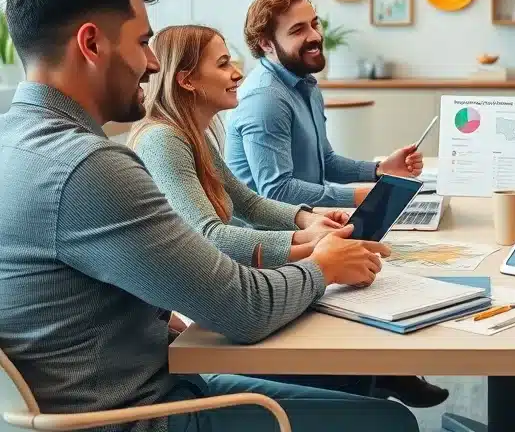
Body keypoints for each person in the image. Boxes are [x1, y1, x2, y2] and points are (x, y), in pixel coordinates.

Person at [0, 0, 418, 431]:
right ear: (91, 44)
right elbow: (243, 308)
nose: (152, 63)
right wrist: (322, 266)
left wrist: (154, 317)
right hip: (142, 412)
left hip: (134, 384)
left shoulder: (18, 143)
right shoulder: (88, 166)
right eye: (143, 42)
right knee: (391, 423)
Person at [128, 24, 448, 408]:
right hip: (212, 302)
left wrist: (307, 221)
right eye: (224, 64)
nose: (237, 73)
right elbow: (209, 235)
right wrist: (309, 246)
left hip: (228, 280)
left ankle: (374, 378)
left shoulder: (190, 134)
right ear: (187, 80)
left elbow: (248, 202)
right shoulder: (163, 140)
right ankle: (368, 383)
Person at [224, 0, 421, 208]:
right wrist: (364, 196)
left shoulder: (304, 83)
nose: (315, 35)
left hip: (307, 221)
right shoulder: (264, 98)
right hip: (271, 229)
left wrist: (380, 169)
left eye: (314, 24)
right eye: (298, 30)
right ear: (266, 44)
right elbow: (277, 191)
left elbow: (324, 162)